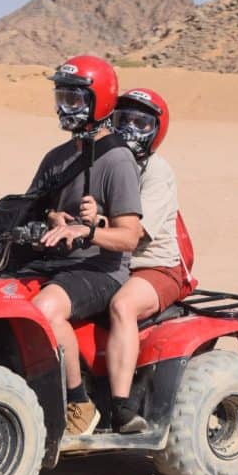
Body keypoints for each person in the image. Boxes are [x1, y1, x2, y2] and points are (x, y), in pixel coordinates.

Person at [0, 55, 143, 436]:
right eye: (61, 98)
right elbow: (29, 206)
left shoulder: (117, 159)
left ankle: (78, 405)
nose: (63, 107)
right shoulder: (58, 157)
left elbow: (129, 236)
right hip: (52, 261)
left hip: (99, 268)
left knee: (46, 309)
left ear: (98, 101)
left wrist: (85, 233)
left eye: (74, 99)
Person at [82, 88, 183, 433]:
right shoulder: (106, 160)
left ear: (156, 130)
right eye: (123, 119)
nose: (129, 128)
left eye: (141, 122)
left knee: (122, 306)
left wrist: (94, 225)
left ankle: (121, 408)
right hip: (107, 259)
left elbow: (135, 233)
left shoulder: (156, 172)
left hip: (154, 266)